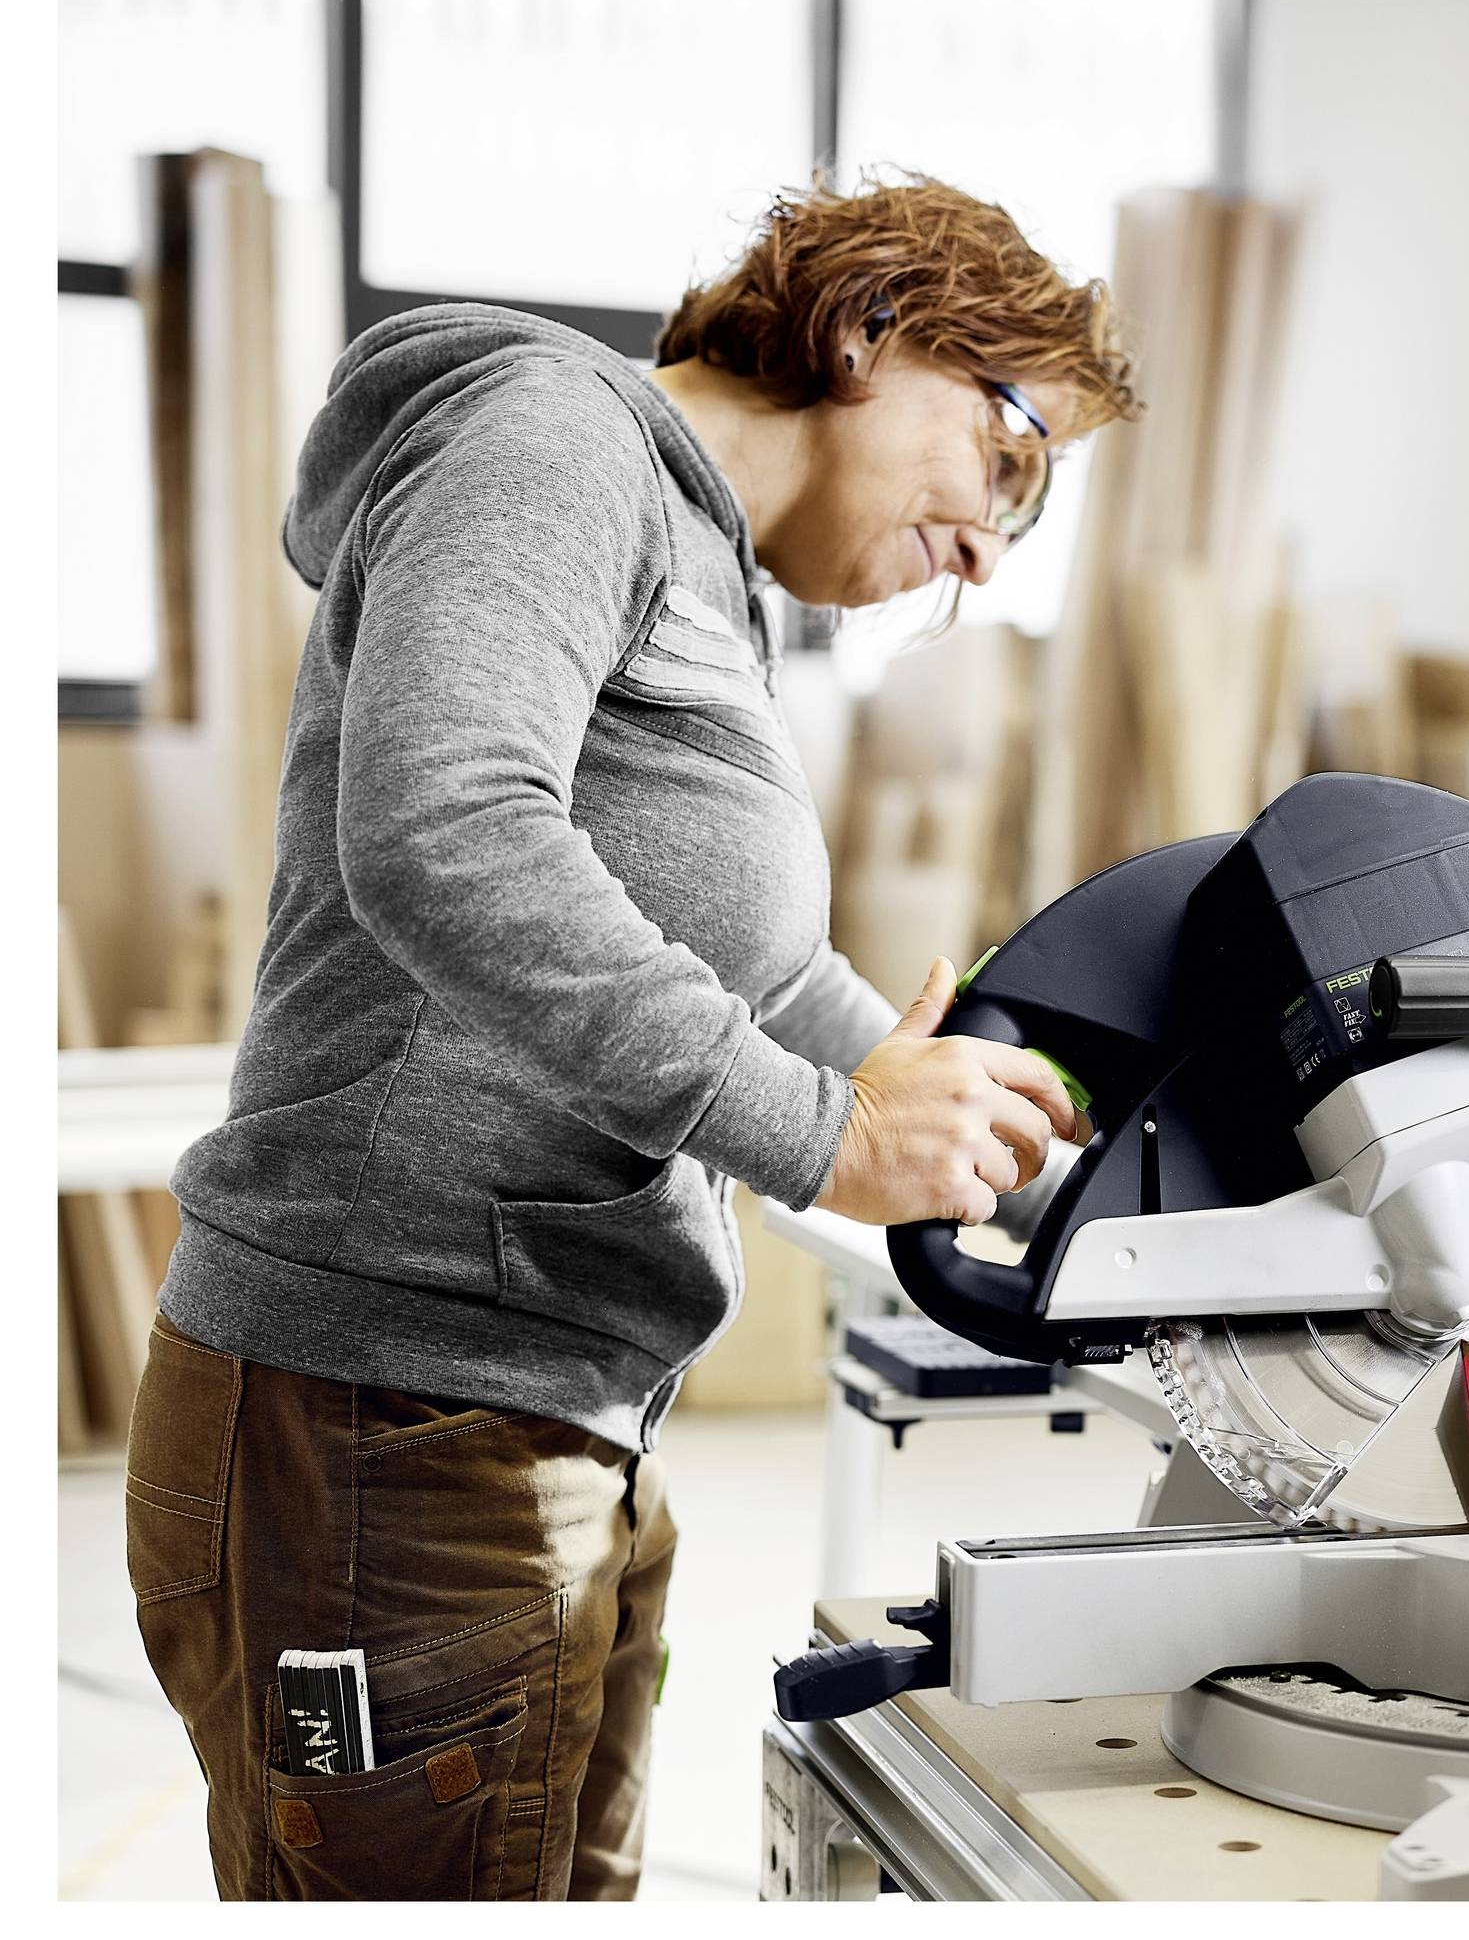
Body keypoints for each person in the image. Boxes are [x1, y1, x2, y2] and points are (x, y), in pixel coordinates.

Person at [124, 176, 1134, 1900]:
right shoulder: (550, 442)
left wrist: (1008, 1122)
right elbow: (447, 827)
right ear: (876, 322)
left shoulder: (703, 578)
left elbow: (724, 964)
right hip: (392, 1416)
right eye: (1012, 458)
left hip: (540, 1412)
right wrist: (820, 1130)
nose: (985, 555)